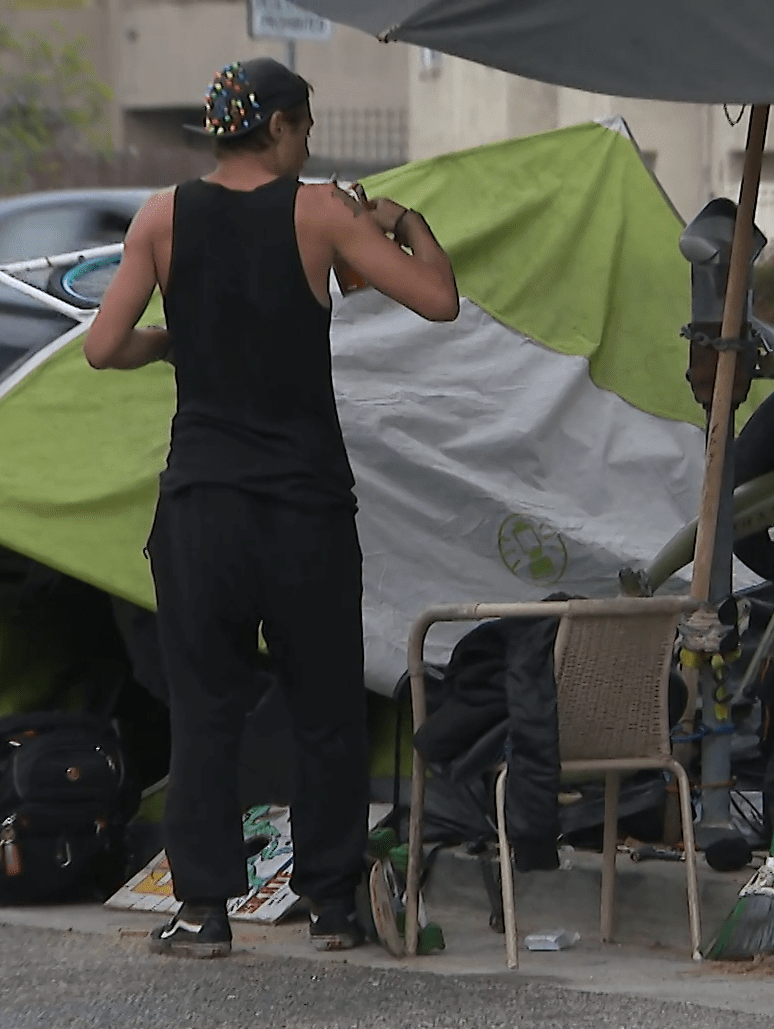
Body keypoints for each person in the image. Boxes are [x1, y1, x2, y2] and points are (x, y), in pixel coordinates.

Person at [85, 57, 458, 958]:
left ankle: (202, 911)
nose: (311, 142)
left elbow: (102, 348)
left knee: (205, 711)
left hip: (201, 508)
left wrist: (180, 340)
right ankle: (333, 905)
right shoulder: (321, 212)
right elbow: (439, 300)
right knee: (325, 705)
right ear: (283, 127)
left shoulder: (163, 215)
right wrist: (402, 218)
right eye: (308, 126)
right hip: (304, 510)